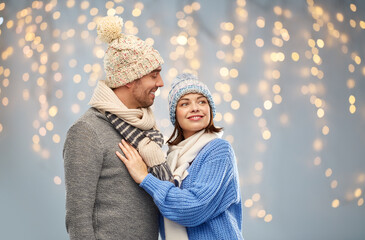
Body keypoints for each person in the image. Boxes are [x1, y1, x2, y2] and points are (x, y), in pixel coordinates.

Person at [63, 15, 171, 239]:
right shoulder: (87, 131)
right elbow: (78, 218)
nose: (160, 83)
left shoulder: (144, 129)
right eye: (153, 75)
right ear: (129, 80)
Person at [116, 73, 244, 240]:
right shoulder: (170, 160)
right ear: (175, 114)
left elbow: (194, 208)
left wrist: (145, 178)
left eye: (202, 101)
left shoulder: (218, 150)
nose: (195, 108)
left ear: (210, 110)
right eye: (185, 103)